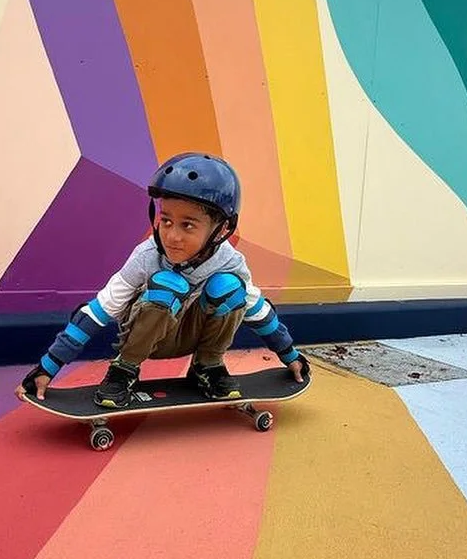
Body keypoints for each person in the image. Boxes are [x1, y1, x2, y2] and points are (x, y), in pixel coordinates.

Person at [15, 152, 309, 408]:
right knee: (169, 284)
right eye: (166, 220)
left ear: (220, 230)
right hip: (146, 338)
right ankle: (124, 370)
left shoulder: (230, 261)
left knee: (231, 288)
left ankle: (208, 366)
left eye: (188, 225)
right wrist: (48, 367)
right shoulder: (146, 256)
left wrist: (290, 354)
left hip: (194, 336)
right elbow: (95, 313)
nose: (172, 236)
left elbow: (260, 313)